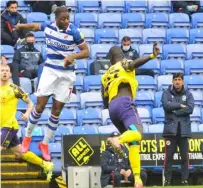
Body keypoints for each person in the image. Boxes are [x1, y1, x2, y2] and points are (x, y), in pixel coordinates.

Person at [15, 6, 89, 161]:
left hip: (67, 75)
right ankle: (27, 138)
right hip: (49, 71)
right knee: (40, 106)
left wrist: (73, 57)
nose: (66, 21)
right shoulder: (49, 27)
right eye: (63, 18)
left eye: (68, 18)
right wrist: (21, 26)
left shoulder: (74, 31)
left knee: (56, 111)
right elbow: (35, 26)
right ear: (56, 18)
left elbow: (86, 51)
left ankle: (45, 143)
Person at [101, 43, 159, 188]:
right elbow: (134, 63)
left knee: (134, 143)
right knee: (138, 133)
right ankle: (117, 140)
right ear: (120, 56)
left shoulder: (105, 75)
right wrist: (151, 56)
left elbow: (104, 100)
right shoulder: (123, 63)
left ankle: (137, 179)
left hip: (112, 109)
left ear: (110, 59)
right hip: (125, 104)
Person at [0, 64, 54, 182]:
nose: (4, 72)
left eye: (6, 71)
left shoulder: (15, 88)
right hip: (2, 126)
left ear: (10, 74)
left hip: (9, 126)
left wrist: (27, 114)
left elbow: (30, 103)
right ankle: (46, 165)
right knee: (20, 153)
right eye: (2, 70)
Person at [161, 73, 194, 186]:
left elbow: (190, 109)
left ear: (183, 81)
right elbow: (166, 105)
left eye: (179, 79)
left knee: (185, 158)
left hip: (184, 131)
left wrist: (175, 111)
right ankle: (167, 180)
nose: (177, 82)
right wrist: (180, 105)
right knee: (168, 157)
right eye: (175, 79)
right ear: (172, 81)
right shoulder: (166, 93)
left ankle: (184, 180)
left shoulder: (188, 94)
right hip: (171, 131)